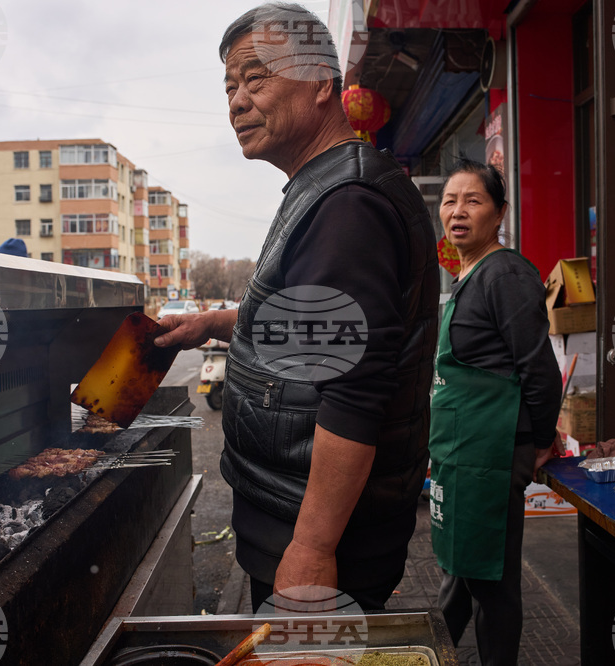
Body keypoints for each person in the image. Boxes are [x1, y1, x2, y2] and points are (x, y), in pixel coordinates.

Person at [154, 2, 439, 611]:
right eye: (229, 87)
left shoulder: (346, 204)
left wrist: (311, 547)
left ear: (320, 83)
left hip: (319, 536)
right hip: (293, 513)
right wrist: (215, 324)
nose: (237, 102)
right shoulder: (323, 187)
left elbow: (354, 390)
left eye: (255, 78)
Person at [429, 159, 562, 665]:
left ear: (500, 212)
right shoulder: (468, 273)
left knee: (491, 581)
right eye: (450, 201)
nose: (458, 211)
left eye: (473, 200)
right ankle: (429, 650)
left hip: (491, 453)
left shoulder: (504, 272)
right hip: (462, 452)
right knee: (462, 569)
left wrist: (539, 440)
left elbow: (539, 369)